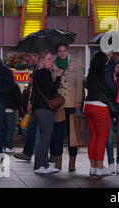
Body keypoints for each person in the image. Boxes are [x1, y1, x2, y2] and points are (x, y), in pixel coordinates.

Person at [84, 51, 119, 176]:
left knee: (93, 136)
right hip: (101, 106)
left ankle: (93, 167)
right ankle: (99, 167)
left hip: (88, 105)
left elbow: (87, 86)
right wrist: (114, 80)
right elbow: (114, 91)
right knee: (102, 137)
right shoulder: (106, 72)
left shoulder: (91, 73)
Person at [50, 43, 83, 172]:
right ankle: (58, 162)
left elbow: (79, 83)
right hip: (59, 103)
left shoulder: (75, 63)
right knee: (57, 134)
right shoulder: (53, 64)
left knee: (72, 134)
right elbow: (51, 83)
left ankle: (72, 162)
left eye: (64, 51)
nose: (62, 53)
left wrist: (78, 100)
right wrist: (56, 76)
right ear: (56, 53)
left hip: (71, 102)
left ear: (67, 51)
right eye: (59, 51)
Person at [31, 50, 62, 174]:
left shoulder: (37, 73)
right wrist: (58, 77)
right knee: (45, 138)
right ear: (42, 60)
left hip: (38, 109)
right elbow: (52, 90)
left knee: (45, 137)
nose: (51, 61)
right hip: (45, 109)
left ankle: (44, 164)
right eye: (49, 59)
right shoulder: (45, 72)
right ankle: (39, 165)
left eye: (51, 59)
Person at [3, 82, 23, 154]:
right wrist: (17, 107)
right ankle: (8, 147)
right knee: (10, 130)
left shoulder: (0, 84)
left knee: (2, 129)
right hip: (11, 110)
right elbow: (19, 98)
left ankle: (2, 146)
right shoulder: (14, 85)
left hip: (0, 110)